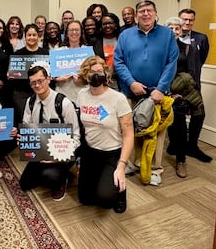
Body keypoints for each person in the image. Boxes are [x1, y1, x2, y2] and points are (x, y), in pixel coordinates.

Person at [114, 0, 178, 185]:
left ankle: (155, 169)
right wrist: (131, 82)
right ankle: (133, 164)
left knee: (156, 132)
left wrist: (160, 89)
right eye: (141, 11)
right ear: (136, 15)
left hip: (157, 95)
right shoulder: (126, 35)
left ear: (155, 13)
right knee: (131, 129)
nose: (145, 14)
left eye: (149, 10)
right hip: (131, 92)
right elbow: (118, 61)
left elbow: (171, 63)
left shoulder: (167, 35)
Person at [77, 56, 133, 213]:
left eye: (99, 71)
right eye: (91, 72)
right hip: (90, 152)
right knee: (85, 199)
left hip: (112, 154)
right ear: (85, 75)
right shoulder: (82, 95)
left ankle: (121, 191)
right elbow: (83, 127)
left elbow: (129, 135)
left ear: (106, 74)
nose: (96, 75)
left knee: (105, 200)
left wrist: (121, 166)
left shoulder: (118, 98)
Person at [19, 63, 80, 201]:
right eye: (33, 83)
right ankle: (45, 170)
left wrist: (57, 157)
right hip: (40, 151)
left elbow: (76, 137)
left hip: (60, 150)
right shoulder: (30, 102)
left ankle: (61, 180)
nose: (37, 85)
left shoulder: (63, 103)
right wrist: (23, 139)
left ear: (48, 79)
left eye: (40, 81)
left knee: (50, 177)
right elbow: (26, 127)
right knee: (25, 184)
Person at [164, 17, 206, 178]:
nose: (174, 31)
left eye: (177, 28)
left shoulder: (188, 48)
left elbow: (191, 73)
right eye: (170, 28)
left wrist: (179, 93)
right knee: (167, 127)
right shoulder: (160, 49)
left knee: (180, 127)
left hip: (179, 94)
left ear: (181, 31)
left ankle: (181, 160)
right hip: (161, 92)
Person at [178, 8, 212, 163]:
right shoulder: (171, 37)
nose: (187, 22)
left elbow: (201, 59)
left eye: (190, 20)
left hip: (193, 85)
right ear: (179, 19)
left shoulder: (201, 38)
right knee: (177, 117)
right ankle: (177, 145)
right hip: (176, 85)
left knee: (199, 114)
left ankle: (192, 146)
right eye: (184, 19)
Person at [11, 24, 49, 125]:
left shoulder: (46, 53)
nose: (31, 37)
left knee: (41, 121)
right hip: (21, 94)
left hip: (41, 93)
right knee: (24, 123)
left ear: (38, 36)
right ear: (25, 36)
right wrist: (11, 75)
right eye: (29, 35)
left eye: (34, 35)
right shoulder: (17, 54)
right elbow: (13, 75)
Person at [53, 20, 87, 104]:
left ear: (81, 32)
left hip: (83, 94)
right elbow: (50, 75)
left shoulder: (87, 52)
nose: (74, 32)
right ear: (67, 33)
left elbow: (92, 74)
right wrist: (57, 79)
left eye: (77, 30)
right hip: (62, 94)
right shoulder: (58, 51)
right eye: (71, 30)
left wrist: (82, 79)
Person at [98, 13, 121, 90]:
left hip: (121, 78)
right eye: (104, 24)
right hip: (102, 80)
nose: (107, 26)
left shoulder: (122, 39)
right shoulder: (96, 42)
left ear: (116, 25)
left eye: (110, 23)